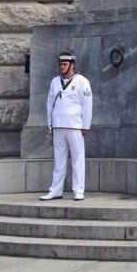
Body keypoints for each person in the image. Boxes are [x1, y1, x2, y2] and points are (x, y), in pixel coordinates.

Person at [40, 51, 93, 202]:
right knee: (59, 160)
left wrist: (86, 125)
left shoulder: (82, 81)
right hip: (58, 126)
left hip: (75, 126)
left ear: (72, 65)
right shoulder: (55, 81)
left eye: (65, 64)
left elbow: (87, 105)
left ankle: (79, 190)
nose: (62, 67)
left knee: (77, 159)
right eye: (60, 64)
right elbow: (49, 103)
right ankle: (56, 190)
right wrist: (50, 124)